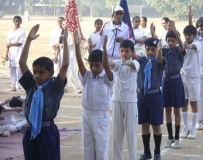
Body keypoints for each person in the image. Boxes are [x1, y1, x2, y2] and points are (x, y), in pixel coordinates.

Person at [18, 24, 69, 160]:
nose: (37, 76)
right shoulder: (31, 85)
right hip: (30, 131)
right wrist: (28, 40)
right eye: (34, 72)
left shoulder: (54, 87)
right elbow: (22, 63)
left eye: (41, 72)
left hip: (47, 132)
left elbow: (64, 65)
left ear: (51, 73)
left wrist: (67, 42)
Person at [75, 28, 114, 160]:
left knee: (101, 149)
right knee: (88, 148)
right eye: (91, 65)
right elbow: (80, 64)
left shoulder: (107, 78)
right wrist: (76, 45)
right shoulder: (87, 77)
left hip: (101, 117)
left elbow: (107, 67)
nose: (94, 68)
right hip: (86, 116)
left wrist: (104, 48)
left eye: (97, 65)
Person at [133, 37, 165, 160]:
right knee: (144, 124)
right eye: (148, 49)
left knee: (156, 125)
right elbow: (134, 54)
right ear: (145, 49)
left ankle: (157, 152)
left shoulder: (159, 61)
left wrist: (160, 49)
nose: (150, 52)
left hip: (154, 96)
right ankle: (147, 152)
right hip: (141, 96)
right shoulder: (142, 60)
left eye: (153, 49)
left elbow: (161, 59)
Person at [110, 40, 139, 160]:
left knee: (131, 134)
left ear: (132, 52)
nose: (124, 54)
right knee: (117, 134)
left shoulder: (135, 63)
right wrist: (103, 60)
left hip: (131, 101)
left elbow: (133, 66)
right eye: (121, 51)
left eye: (127, 51)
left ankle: (133, 157)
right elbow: (111, 64)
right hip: (117, 100)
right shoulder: (117, 63)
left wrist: (127, 62)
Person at [161, 23, 185, 149]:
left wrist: (176, 32)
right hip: (166, 81)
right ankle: (170, 137)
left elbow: (182, 47)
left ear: (176, 40)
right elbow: (157, 52)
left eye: (173, 40)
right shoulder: (164, 50)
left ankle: (177, 138)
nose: (170, 43)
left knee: (177, 110)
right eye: (169, 40)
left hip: (176, 82)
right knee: (167, 110)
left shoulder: (179, 52)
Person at [180, 24, 201, 139]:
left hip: (193, 77)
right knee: (184, 103)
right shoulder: (182, 44)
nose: (187, 37)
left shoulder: (197, 44)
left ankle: (193, 129)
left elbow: (191, 47)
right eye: (186, 35)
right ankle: (186, 127)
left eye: (189, 35)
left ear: (194, 35)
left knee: (193, 102)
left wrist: (185, 45)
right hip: (183, 76)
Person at [3, 16, 26, 92]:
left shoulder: (22, 31)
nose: (17, 23)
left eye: (19, 21)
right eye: (16, 21)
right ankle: (13, 85)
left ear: (21, 22)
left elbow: (20, 43)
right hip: (11, 53)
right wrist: (6, 54)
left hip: (19, 51)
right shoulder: (10, 31)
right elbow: (7, 44)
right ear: (13, 22)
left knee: (18, 69)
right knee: (11, 69)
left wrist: (10, 44)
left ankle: (18, 86)